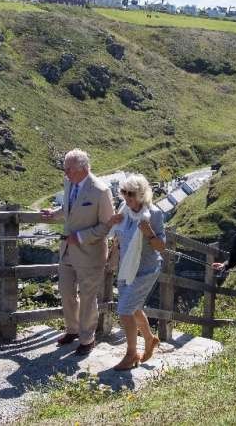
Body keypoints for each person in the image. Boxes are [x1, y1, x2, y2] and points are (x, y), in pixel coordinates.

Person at [41, 149, 114, 355]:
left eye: (69, 169)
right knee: (66, 291)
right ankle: (72, 330)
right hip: (67, 250)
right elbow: (70, 209)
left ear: (84, 168)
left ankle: (87, 339)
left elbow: (107, 224)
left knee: (88, 297)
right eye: (65, 169)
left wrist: (81, 237)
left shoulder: (101, 191)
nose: (66, 173)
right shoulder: (69, 182)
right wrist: (54, 214)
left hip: (90, 253)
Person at [106, 174, 165, 370]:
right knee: (134, 307)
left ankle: (131, 354)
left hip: (145, 270)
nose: (126, 196)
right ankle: (149, 339)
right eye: (124, 192)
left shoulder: (154, 214)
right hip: (126, 269)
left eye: (130, 193)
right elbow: (118, 238)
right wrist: (112, 222)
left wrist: (149, 233)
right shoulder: (124, 209)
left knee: (125, 310)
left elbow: (161, 247)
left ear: (141, 194)